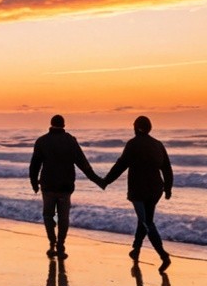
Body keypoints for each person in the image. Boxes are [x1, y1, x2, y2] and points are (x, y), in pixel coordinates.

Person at [102, 115, 174, 271]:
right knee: (145, 218)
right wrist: (168, 188)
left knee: (146, 222)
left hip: (139, 190)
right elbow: (167, 168)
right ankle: (136, 250)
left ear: (136, 127)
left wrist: (106, 181)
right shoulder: (158, 144)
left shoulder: (133, 144)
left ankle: (163, 256)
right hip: (156, 189)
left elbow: (120, 165)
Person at [29, 114, 103, 258]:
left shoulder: (42, 141)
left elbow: (34, 165)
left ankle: (52, 244)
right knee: (64, 217)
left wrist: (34, 182)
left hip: (48, 186)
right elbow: (83, 163)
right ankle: (61, 246)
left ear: (51, 124)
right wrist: (98, 180)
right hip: (65, 186)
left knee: (48, 215)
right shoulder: (70, 141)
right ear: (64, 125)